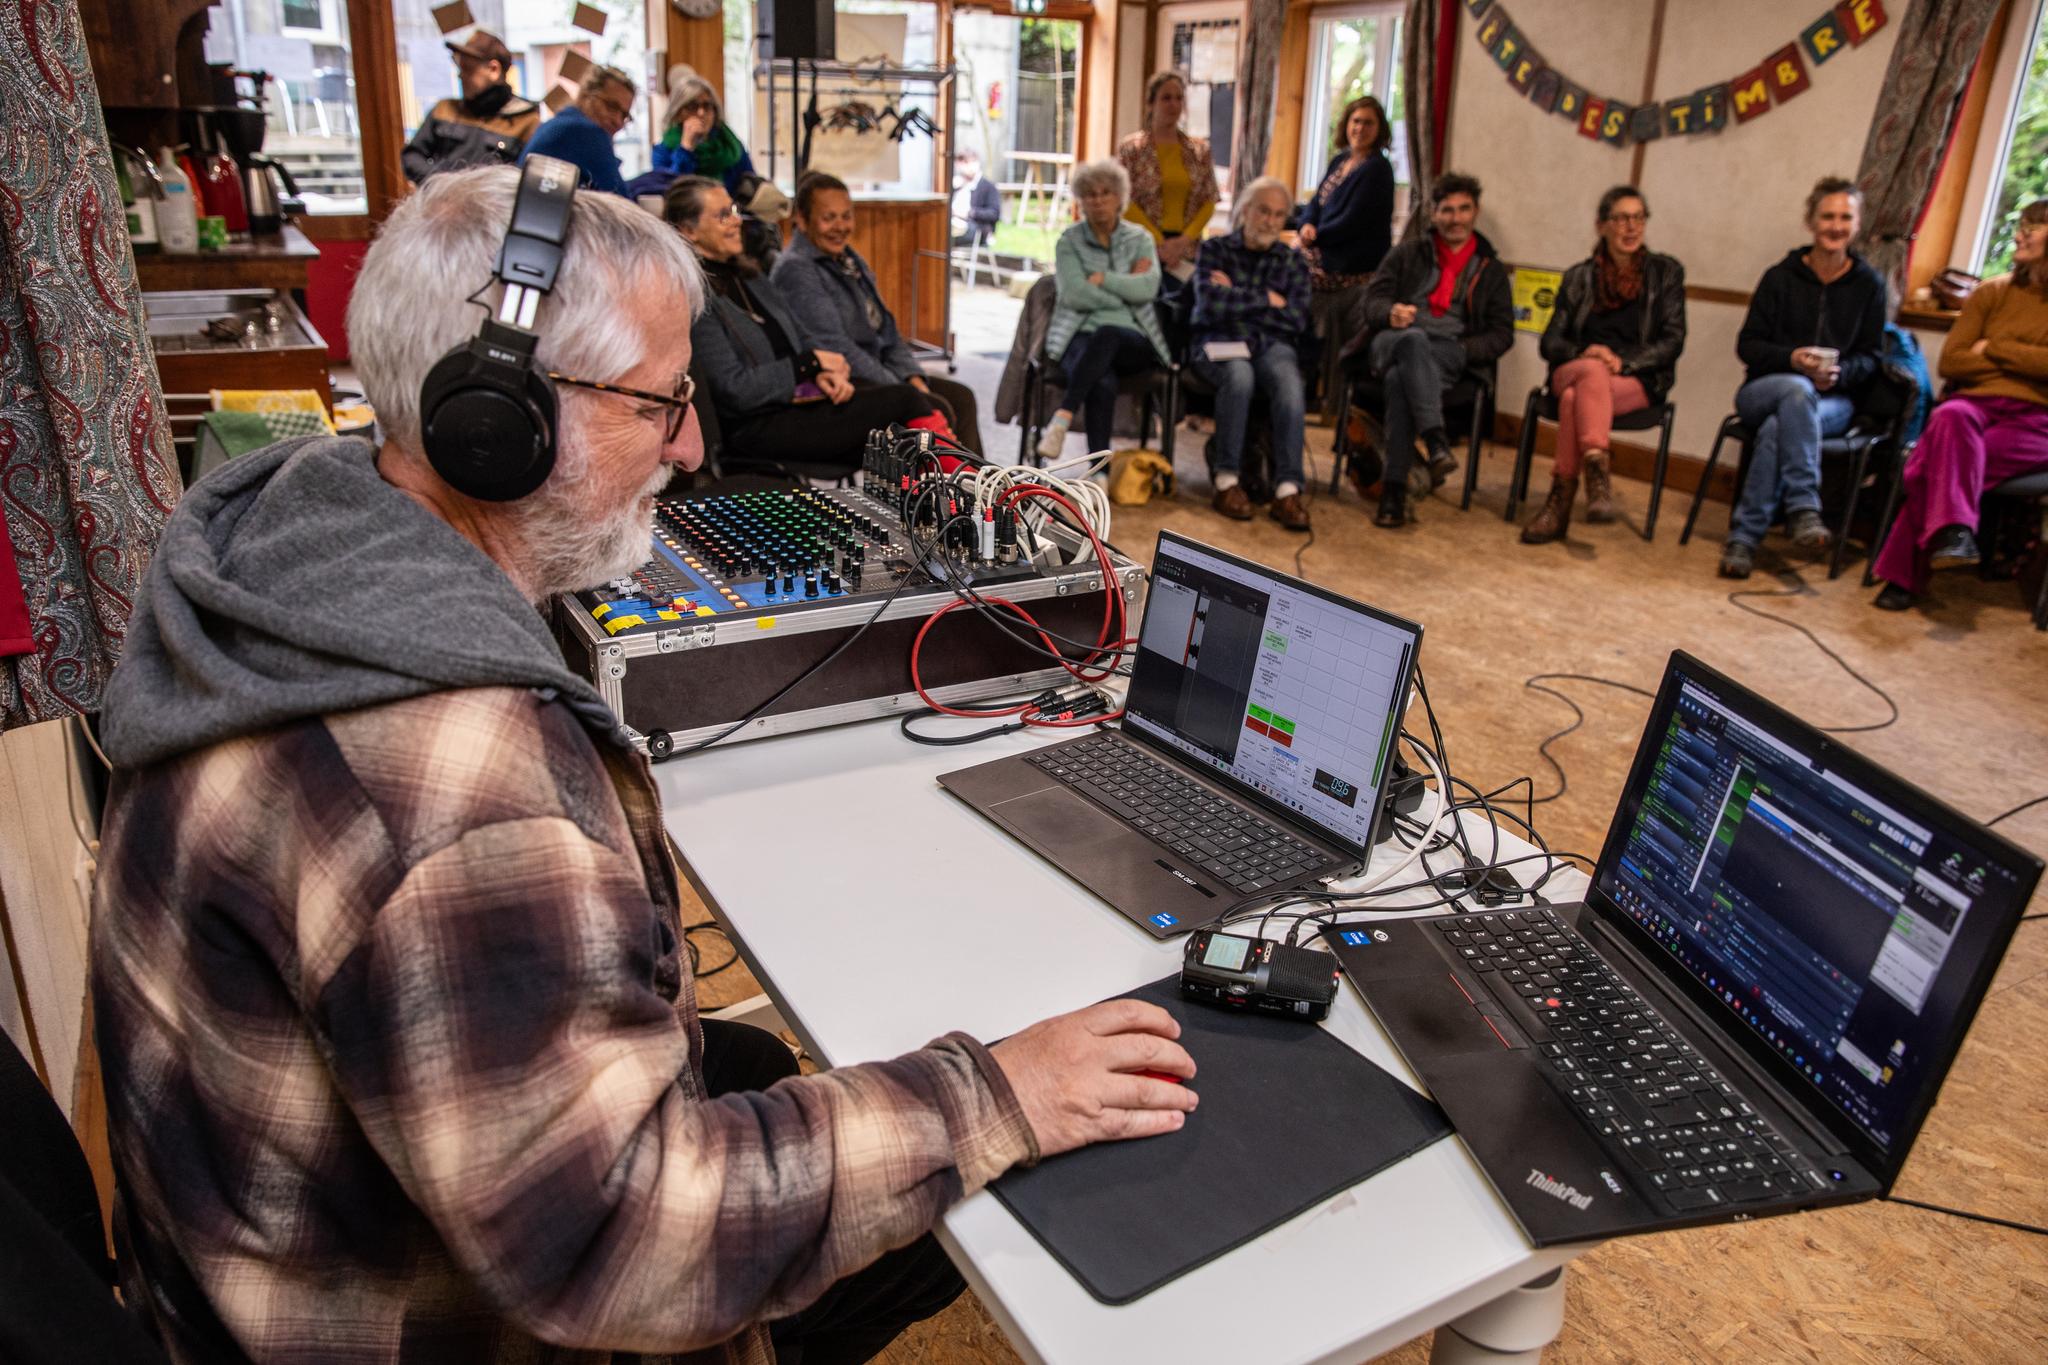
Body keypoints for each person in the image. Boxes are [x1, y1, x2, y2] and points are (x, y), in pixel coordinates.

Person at [89, 164, 1199, 1365]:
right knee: (966, 1200)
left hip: (264, 1258)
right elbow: (621, 1249)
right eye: (657, 402)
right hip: (416, 1321)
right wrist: (999, 1096)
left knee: (761, 1059)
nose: (688, 443)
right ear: (496, 421)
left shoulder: (295, 536)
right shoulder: (456, 783)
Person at [669, 176, 948, 470]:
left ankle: (954, 500)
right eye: (722, 215)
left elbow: (801, 336)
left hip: (802, 401)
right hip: (758, 425)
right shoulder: (696, 299)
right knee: (907, 405)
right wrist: (807, 366)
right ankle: (967, 496)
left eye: (734, 210)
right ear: (688, 231)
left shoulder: (748, 275)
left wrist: (820, 373)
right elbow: (735, 389)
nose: (736, 221)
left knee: (918, 422)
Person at [1872, 200, 2048, 610]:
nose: (2020, 234)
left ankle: (1906, 575)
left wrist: (1996, 348)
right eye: (2020, 225)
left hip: (2037, 423)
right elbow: (1953, 361)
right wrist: (2028, 363)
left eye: (2034, 227)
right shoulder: (1992, 292)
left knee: (1936, 463)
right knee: (1951, 415)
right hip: (1974, 411)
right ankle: (1954, 531)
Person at [1720, 176, 1887, 578]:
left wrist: (1841, 372)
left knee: (1782, 426)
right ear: (1810, 222)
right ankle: (1804, 504)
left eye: (1844, 217)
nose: (1835, 225)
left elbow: (1872, 358)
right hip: (1764, 388)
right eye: (1827, 216)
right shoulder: (1780, 277)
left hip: (1833, 400)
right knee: (1795, 392)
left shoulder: (1869, 285)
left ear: (1857, 225)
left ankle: (1743, 538)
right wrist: (1792, 358)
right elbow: (1748, 346)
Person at [773, 171, 986, 453]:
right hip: (841, 385)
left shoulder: (849, 258)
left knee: (961, 397)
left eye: (846, 216)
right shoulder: (797, 269)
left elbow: (887, 331)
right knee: (938, 406)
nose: (840, 226)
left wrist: (913, 378)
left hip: (881, 374)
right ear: (801, 219)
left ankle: (975, 489)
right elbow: (836, 347)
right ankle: (947, 491)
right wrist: (903, 390)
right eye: (829, 218)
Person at [1521, 185, 1688, 543]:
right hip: (1577, 369)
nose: (1631, 227)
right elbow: (1551, 342)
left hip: (1636, 380)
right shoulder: (1578, 277)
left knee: (1572, 402)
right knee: (1590, 372)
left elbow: (1672, 341)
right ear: (1601, 226)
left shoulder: (1667, 273)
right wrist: (1588, 354)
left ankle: (1559, 504)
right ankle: (1597, 466)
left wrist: (1622, 361)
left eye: (1638, 217)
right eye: (1621, 218)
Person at [1354, 170, 1514, 528]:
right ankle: (1435, 439)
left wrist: (1463, 349)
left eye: (1463, 209)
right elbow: (1371, 302)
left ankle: (1393, 493)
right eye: (1447, 210)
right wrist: (1390, 312)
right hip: (1393, 341)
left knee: (1401, 381)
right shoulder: (1408, 253)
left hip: (1449, 354)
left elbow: (1502, 334)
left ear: (1476, 211)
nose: (1455, 218)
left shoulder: (1491, 270)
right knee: (1412, 341)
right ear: (1433, 213)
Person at [1191, 177, 1314, 531]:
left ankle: (1287, 489)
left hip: (1270, 345)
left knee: (1289, 380)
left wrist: (1237, 295)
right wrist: (1265, 299)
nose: (1270, 221)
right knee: (1239, 375)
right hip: (1217, 341)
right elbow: (1209, 305)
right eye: (1263, 211)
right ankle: (1227, 481)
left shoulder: (1291, 261)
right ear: (1245, 209)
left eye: (1279, 215)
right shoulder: (1215, 250)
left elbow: (1295, 318)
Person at [1039, 159, 1172, 462]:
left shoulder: (1140, 239)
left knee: (1109, 333)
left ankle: (1063, 416)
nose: (1098, 201)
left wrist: (1104, 280)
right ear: (1081, 200)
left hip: (1133, 338)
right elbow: (1073, 295)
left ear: (1119, 197)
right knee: (1102, 378)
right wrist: (1126, 290)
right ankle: (1099, 473)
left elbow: (1148, 289)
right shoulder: (1069, 241)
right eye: (1090, 194)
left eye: (1105, 193)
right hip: (1079, 334)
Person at [1299, 96, 1396, 418]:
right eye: (1356, 121)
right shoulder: (1340, 160)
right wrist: (1306, 223)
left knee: (1294, 283)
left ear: (1379, 128)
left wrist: (1316, 237)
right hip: (1324, 250)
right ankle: (1303, 383)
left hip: (1351, 264)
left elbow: (1353, 219)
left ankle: (1316, 387)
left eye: (1368, 122)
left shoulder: (1378, 169)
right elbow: (1316, 203)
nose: (1360, 128)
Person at [401, 28, 542, 182]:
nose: (460, 75)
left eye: (468, 70)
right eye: (460, 68)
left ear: (494, 70)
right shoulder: (444, 109)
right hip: (441, 200)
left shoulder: (527, 121)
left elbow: (531, 180)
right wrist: (440, 183)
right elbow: (411, 156)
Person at [1118, 72, 1218, 282]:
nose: (1173, 104)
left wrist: (1183, 241)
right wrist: (1158, 242)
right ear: (1151, 103)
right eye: (1166, 98)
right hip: (1142, 246)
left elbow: (1209, 200)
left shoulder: (1199, 151)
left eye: (1179, 98)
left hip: (1186, 248)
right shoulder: (1132, 149)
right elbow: (1123, 200)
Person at [520, 64, 636, 196]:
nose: (618, 121)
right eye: (611, 107)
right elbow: (621, 203)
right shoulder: (584, 132)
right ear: (586, 96)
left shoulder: (562, 123)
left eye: (624, 115)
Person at [651, 66, 755, 196]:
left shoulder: (730, 146)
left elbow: (751, 186)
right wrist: (686, 147)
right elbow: (671, 192)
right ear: (678, 113)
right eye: (692, 106)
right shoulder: (663, 151)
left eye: (707, 106)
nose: (701, 113)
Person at [952, 150, 1002, 246]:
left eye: (971, 162)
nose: (968, 167)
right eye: (964, 163)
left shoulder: (988, 187)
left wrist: (970, 213)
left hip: (977, 229)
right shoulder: (957, 184)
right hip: (954, 223)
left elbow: (994, 213)